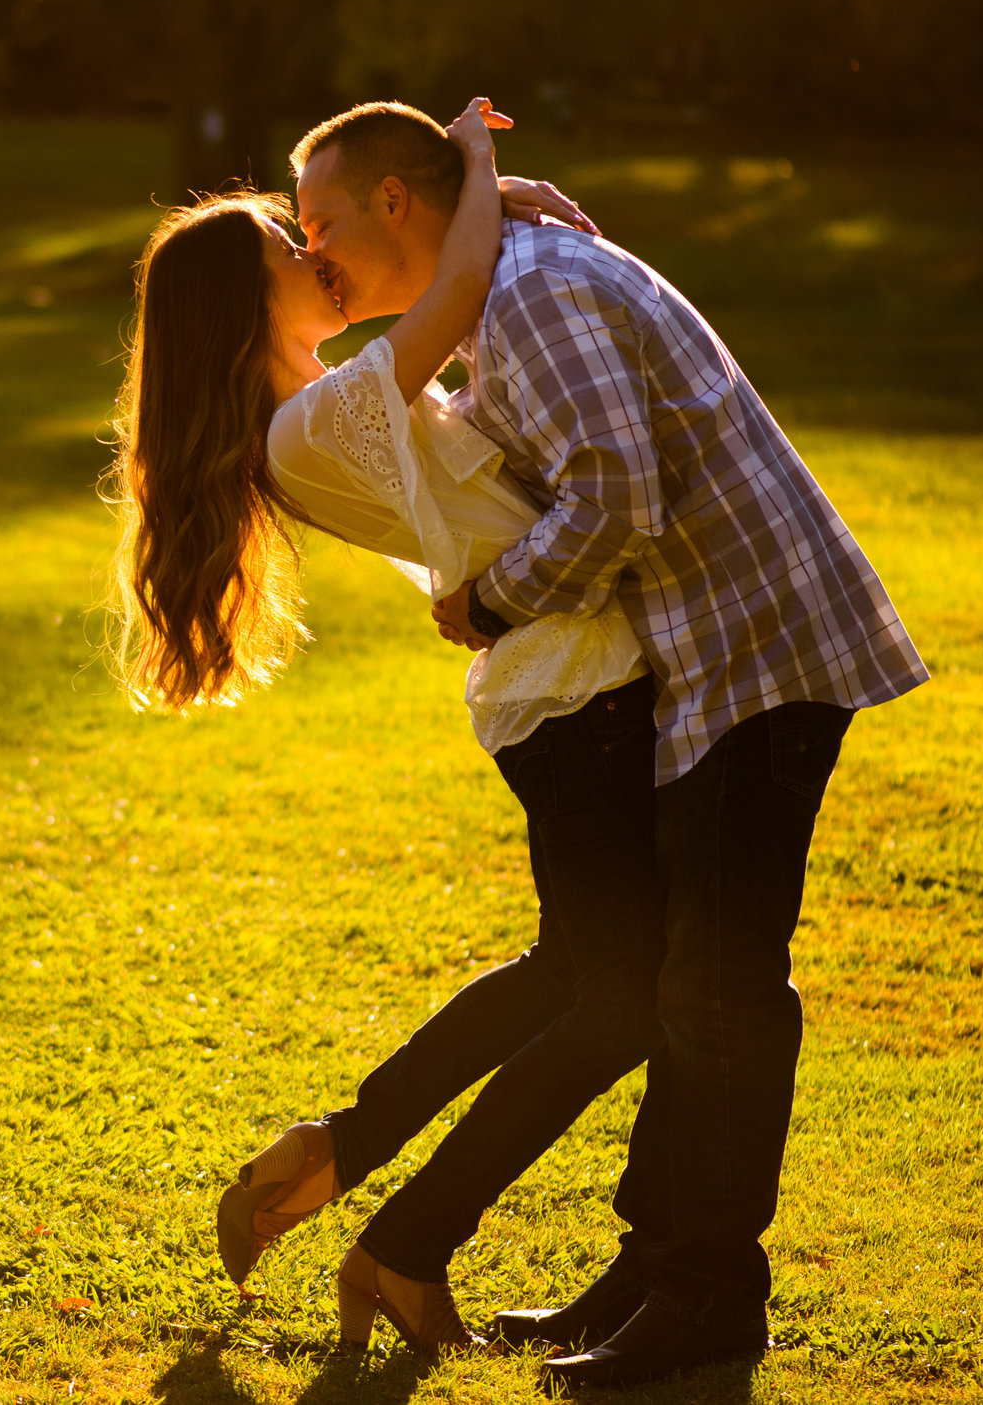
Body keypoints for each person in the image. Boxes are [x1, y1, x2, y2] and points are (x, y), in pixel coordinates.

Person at [287, 100, 930, 1386]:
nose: (312, 256)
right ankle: (654, 1271)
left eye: (320, 223)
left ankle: (708, 1303)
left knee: (718, 987)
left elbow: (616, 497)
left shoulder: (530, 296)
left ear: (396, 205)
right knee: (696, 976)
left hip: (757, 648)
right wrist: (494, 182)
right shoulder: (499, 297)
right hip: (707, 659)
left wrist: (489, 601)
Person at [109, 100, 678, 1355]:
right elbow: (457, 275)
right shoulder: (312, 421)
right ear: (242, 309)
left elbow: (466, 316)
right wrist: (474, 161)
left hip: (560, 679)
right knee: (622, 999)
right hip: (569, 688)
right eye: (290, 251)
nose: (318, 257)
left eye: (311, 235)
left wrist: (488, 197)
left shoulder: (319, 403)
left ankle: (341, 1147)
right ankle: (406, 1247)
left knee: (570, 975)